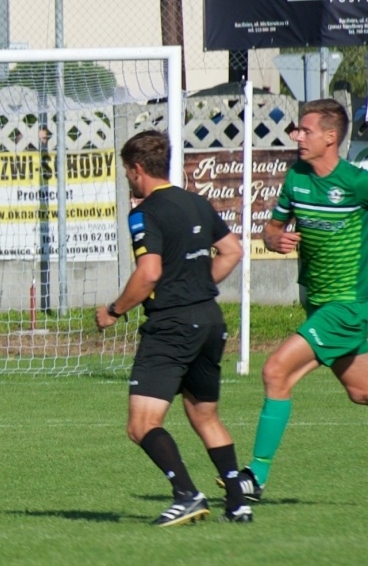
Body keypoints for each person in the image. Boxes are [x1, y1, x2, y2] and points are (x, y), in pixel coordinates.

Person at [95, 130, 245, 525]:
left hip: (172, 325)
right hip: (210, 321)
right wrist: (200, 285)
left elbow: (149, 274)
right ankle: (237, 502)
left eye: (128, 172)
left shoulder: (146, 212)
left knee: (141, 424)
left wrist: (114, 310)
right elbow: (233, 250)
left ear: (137, 169)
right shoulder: (196, 202)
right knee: (205, 416)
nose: (128, 179)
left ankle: (187, 494)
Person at [229, 99, 368, 508]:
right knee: (361, 392)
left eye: (304, 130)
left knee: (275, 371)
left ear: (330, 137)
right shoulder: (296, 179)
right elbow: (271, 231)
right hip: (318, 305)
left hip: (347, 307)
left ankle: (255, 475)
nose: (296, 136)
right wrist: (275, 239)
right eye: (296, 130)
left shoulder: (357, 184)